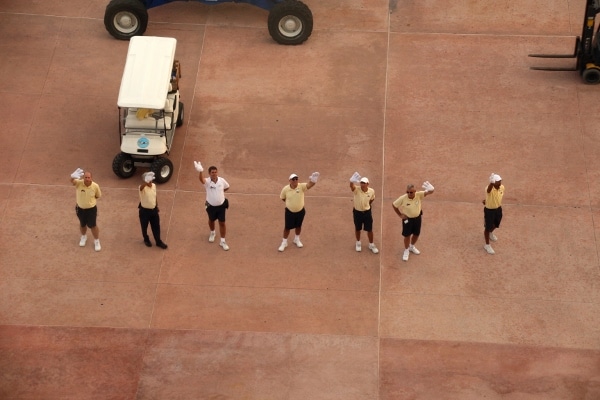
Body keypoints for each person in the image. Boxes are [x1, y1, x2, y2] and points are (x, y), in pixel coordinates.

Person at [392, 181, 435, 261]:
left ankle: (412, 246)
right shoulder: (403, 198)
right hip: (407, 220)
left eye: (411, 192)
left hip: (417, 218)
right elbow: (394, 205)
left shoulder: (419, 195)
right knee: (407, 235)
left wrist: (432, 189)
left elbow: (430, 192)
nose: (409, 194)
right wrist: (400, 215)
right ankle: (406, 250)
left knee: (416, 234)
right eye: (407, 192)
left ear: (415, 191)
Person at [278, 172, 319, 252]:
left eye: (296, 179)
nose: (295, 180)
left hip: (300, 211)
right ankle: (284, 242)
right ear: (290, 181)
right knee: (287, 228)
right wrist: (290, 203)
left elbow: (309, 185)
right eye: (293, 179)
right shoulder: (286, 189)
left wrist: (313, 181)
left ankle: (296, 239)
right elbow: (283, 198)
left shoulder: (301, 186)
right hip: (289, 212)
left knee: (298, 226)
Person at [194, 161, 230, 251]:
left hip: (221, 206)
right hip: (210, 206)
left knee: (222, 223)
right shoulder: (207, 182)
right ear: (209, 173)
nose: (214, 174)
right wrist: (200, 171)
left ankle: (223, 241)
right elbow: (201, 180)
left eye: (215, 172)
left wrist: (220, 194)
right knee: (211, 220)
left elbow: (227, 187)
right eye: (212, 172)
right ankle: (212, 232)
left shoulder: (221, 180)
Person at [70, 168, 102, 251]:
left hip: (91, 209)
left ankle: (96, 241)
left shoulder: (95, 186)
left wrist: (89, 202)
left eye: (89, 177)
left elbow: (97, 196)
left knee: (93, 225)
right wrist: (72, 177)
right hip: (80, 209)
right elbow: (72, 181)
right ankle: (83, 236)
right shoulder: (79, 183)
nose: (87, 179)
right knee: (82, 224)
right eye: (86, 177)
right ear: (83, 178)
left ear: (91, 178)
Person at [349, 172, 378, 253]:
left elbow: (372, 198)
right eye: (361, 182)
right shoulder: (357, 190)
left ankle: (371, 244)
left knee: (369, 229)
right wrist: (351, 181)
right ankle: (358, 243)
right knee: (358, 228)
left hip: (367, 213)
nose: (362, 184)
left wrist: (368, 205)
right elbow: (352, 187)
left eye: (364, 183)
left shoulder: (371, 191)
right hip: (357, 212)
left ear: (367, 184)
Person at [138, 172, 168, 249]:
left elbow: (155, 196)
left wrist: (157, 205)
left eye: (151, 179)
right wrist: (146, 182)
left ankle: (158, 241)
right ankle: (146, 239)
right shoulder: (142, 187)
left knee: (156, 226)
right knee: (144, 226)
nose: (151, 182)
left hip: (153, 210)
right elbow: (141, 187)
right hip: (144, 211)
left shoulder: (154, 186)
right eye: (149, 179)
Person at [483, 173, 504, 255]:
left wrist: (486, 200)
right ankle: (487, 245)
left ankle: (491, 233)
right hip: (489, 210)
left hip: (498, 209)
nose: (500, 183)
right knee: (487, 228)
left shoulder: (502, 187)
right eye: (498, 181)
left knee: (496, 224)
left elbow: (495, 197)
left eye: (500, 181)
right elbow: (488, 191)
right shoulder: (489, 188)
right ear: (494, 182)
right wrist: (491, 183)